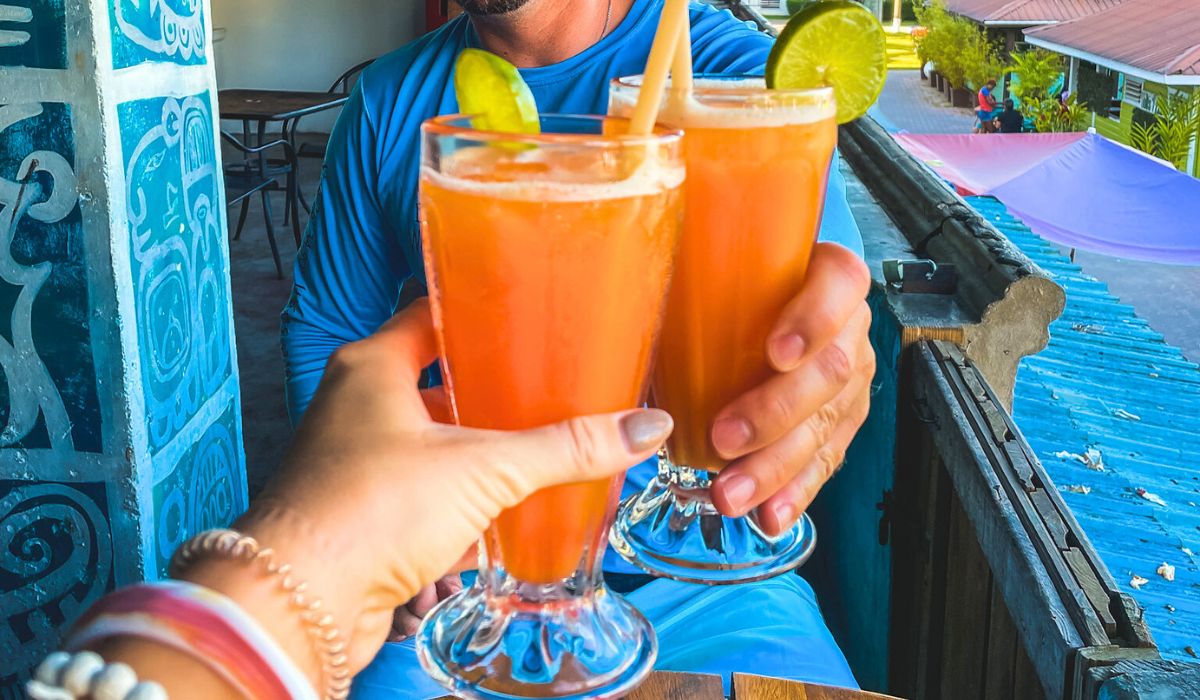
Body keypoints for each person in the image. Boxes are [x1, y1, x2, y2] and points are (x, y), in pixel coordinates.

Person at [283, 0, 872, 692]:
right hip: (463, 577)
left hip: (706, 576)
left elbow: (827, 311)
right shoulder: (389, 99)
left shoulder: (736, 78)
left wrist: (829, 366)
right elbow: (328, 331)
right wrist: (367, 510)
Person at [28, 302, 678, 699]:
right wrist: (339, 550)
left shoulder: (721, 75)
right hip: (445, 580)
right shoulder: (385, 105)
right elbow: (328, 330)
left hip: (677, 573)